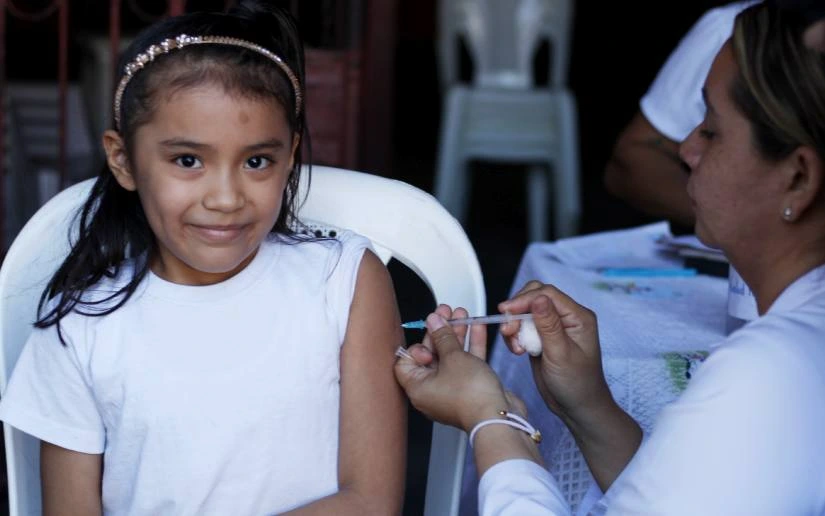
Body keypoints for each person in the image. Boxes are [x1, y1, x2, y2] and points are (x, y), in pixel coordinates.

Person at [396, 2, 825, 513]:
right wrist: (588, 404)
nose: (687, 148)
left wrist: (490, 416)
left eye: (711, 128)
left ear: (797, 177)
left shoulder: (765, 375)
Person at [0, 2, 407, 514]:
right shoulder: (80, 326)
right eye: (188, 161)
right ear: (123, 159)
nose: (225, 197)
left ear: (290, 153)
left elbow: (371, 501)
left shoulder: (344, 281)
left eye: (257, 161)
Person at [603, 1, 755, 230]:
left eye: (713, 131)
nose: (688, 149)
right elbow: (632, 161)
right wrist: (739, 227)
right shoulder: (733, 30)